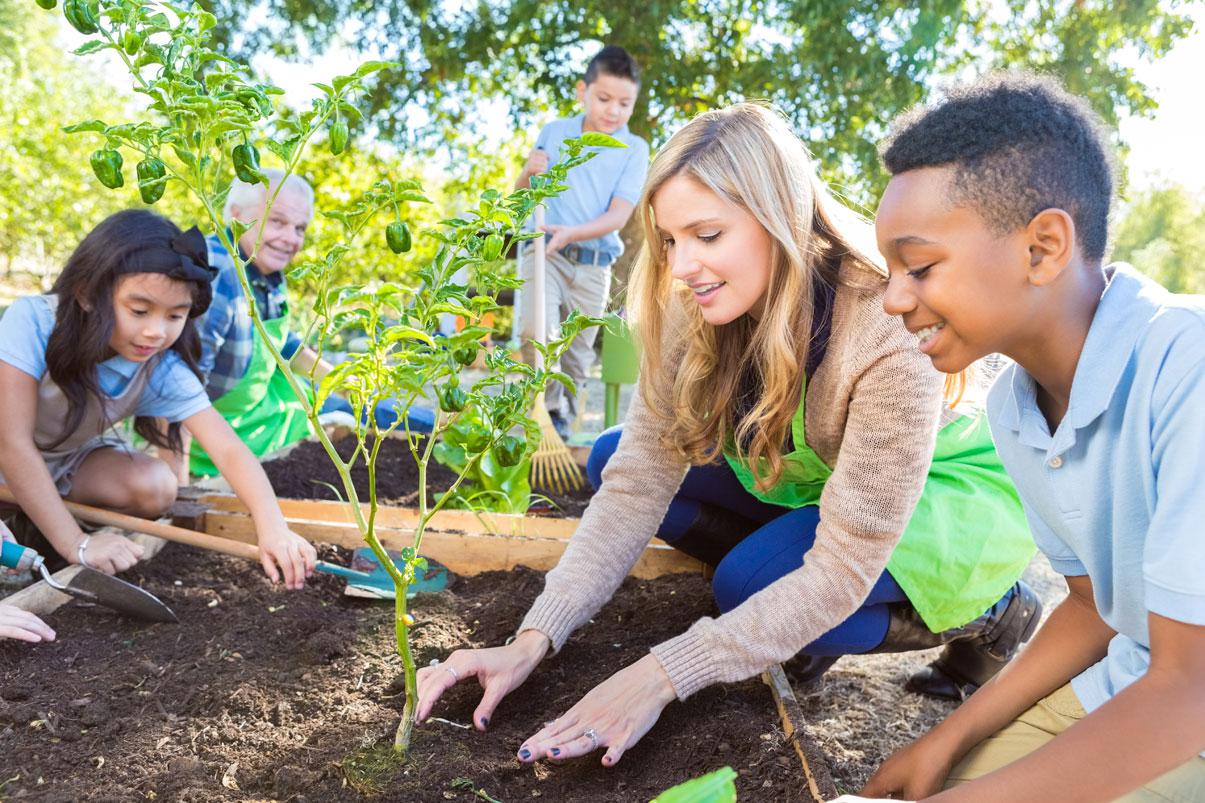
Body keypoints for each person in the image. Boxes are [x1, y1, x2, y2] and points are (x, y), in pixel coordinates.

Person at [414, 103, 1039, 766]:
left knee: (746, 586)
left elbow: (844, 564)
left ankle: (995, 611)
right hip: (823, 478)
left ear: (778, 216)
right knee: (607, 458)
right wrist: (533, 635)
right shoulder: (699, 304)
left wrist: (655, 676)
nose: (682, 265)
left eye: (706, 234)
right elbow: (635, 485)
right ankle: (782, 593)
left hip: (940, 495)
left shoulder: (882, 325)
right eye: (670, 240)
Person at [845, 73, 1205, 802]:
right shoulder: (1013, 405)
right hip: (1140, 675)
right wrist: (944, 739)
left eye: (917, 266)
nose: (892, 298)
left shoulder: (1186, 371)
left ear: (1042, 247)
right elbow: (1091, 604)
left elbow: (1189, 686)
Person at [0, 209, 316, 588]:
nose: (155, 331)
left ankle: (37, 517)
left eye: (175, 316)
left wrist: (273, 527)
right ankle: (41, 522)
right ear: (87, 293)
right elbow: (12, 444)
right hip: (7, 451)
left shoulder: (159, 367)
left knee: (157, 486)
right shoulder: (33, 322)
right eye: (139, 310)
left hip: (61, 463)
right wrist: (76, 544)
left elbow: (229, 449)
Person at [191, 169, 431, 477]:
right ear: (236, 215)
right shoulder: (219, 272)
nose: (291, 239)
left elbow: (285, 347)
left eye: (300, 228)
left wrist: (349, 387)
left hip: (267, 414)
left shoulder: (263, 273)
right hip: (225, 445)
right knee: (367, 425)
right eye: (276, 221)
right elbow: (183, 386)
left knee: (389, 416)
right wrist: (179, 478)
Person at [514, 45, 651, 436]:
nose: (614, 111)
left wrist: (572, 232)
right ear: (582, 91)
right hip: (544, 253)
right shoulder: (555, 132)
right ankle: (549, 416)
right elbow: (522, 193)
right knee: (534, 332)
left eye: (625, 103)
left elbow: (618, 216)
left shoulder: (634, 149)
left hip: (594, 263)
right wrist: (528, 171)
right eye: (604, 98)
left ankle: (563, 425)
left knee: (576, 357)